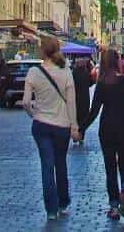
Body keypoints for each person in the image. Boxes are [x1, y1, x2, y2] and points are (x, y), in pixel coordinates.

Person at [80, 49, 124, 220]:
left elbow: (94, 111)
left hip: (107, 130)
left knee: (110, 169)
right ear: (117, 62)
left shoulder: (102, 84)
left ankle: (114, 207)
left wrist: (81, 129)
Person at [22, 36, 79, 220]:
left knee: (47, 166)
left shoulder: (33, 72)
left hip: (41, 125)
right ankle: (63, 202)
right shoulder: (66, 72)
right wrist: (74, 126)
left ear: (42, 51)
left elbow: (25, 102)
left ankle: (51, 210)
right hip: (62, 125)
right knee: (61, 163)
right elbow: (71, 102)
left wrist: (33, 114)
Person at [71, 58, 93, 146]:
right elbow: (91, 83)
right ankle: (81, 136)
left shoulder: (74, 73)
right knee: (83, 118)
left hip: (75, 99)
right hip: (85, 99)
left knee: (76, 118)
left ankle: (75, 136)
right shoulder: (86, 73)